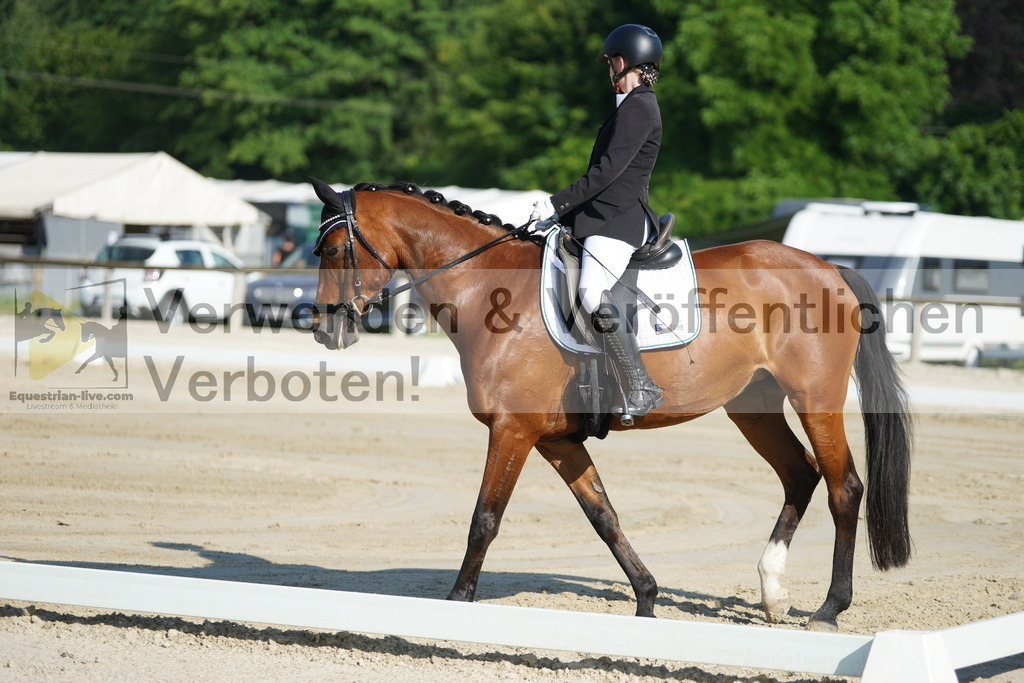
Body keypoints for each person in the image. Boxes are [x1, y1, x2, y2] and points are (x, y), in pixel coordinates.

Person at [533, 24, 665, 419]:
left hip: (620, 220)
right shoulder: (630, 105)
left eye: (611, 62)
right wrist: (567, 218)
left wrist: (557, 203)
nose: (609, 70)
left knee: (591, 293)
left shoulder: (640, 106)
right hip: (603, 217)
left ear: (623, 62)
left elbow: (607, 172)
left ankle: (642, 386)